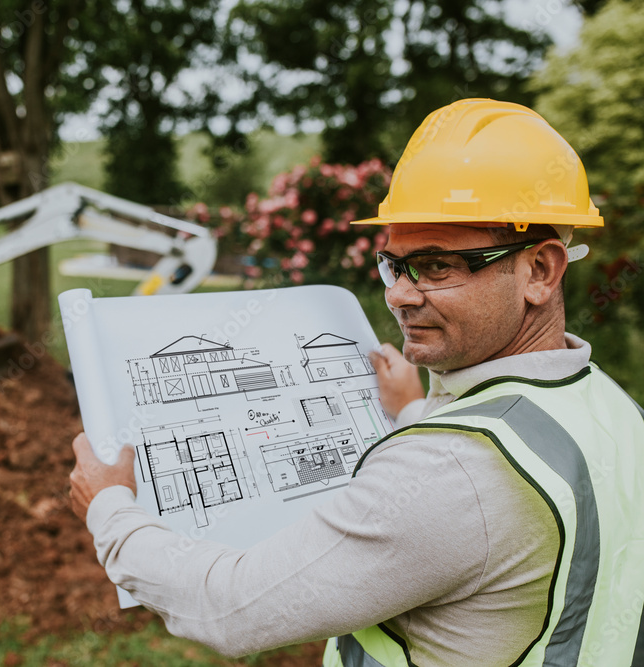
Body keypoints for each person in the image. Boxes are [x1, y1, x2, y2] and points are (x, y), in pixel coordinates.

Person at [68, 98, 644, 666]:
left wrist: (111, 507)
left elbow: (232, 607)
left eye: (437, 266)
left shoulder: (449, 472)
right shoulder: (612, 409)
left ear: (539, 270)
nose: (398, 294)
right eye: (394, 264)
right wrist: (416, 413)